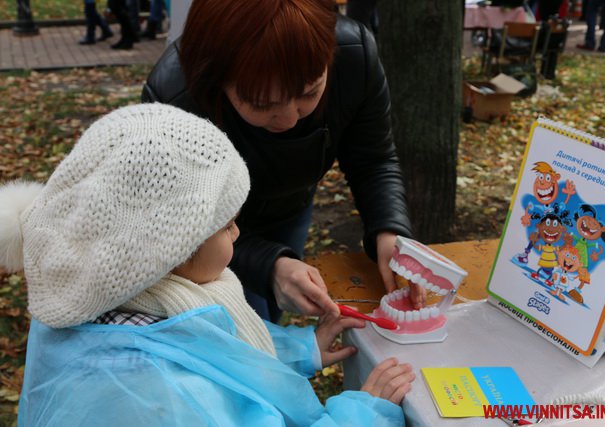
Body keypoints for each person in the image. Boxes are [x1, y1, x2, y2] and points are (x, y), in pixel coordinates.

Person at [1, 104, 415, 426]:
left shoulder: (92, 289)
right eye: (226, 223)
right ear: (169, 250)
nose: (238, 233)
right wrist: (365, 414)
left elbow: (208, 353)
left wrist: (299, 350)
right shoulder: (155, 391)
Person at [142, 0, 416, 322]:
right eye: (262, 104)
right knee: (236, 323)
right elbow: (182, 228)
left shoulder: (354, 54)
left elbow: (374, 160)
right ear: (217, 78)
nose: (289, 119)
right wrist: (269, 265)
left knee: (277, 301)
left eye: (309, 93)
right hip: (207, 237)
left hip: (291, 204)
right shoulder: (173, 96)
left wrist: (389, 231)